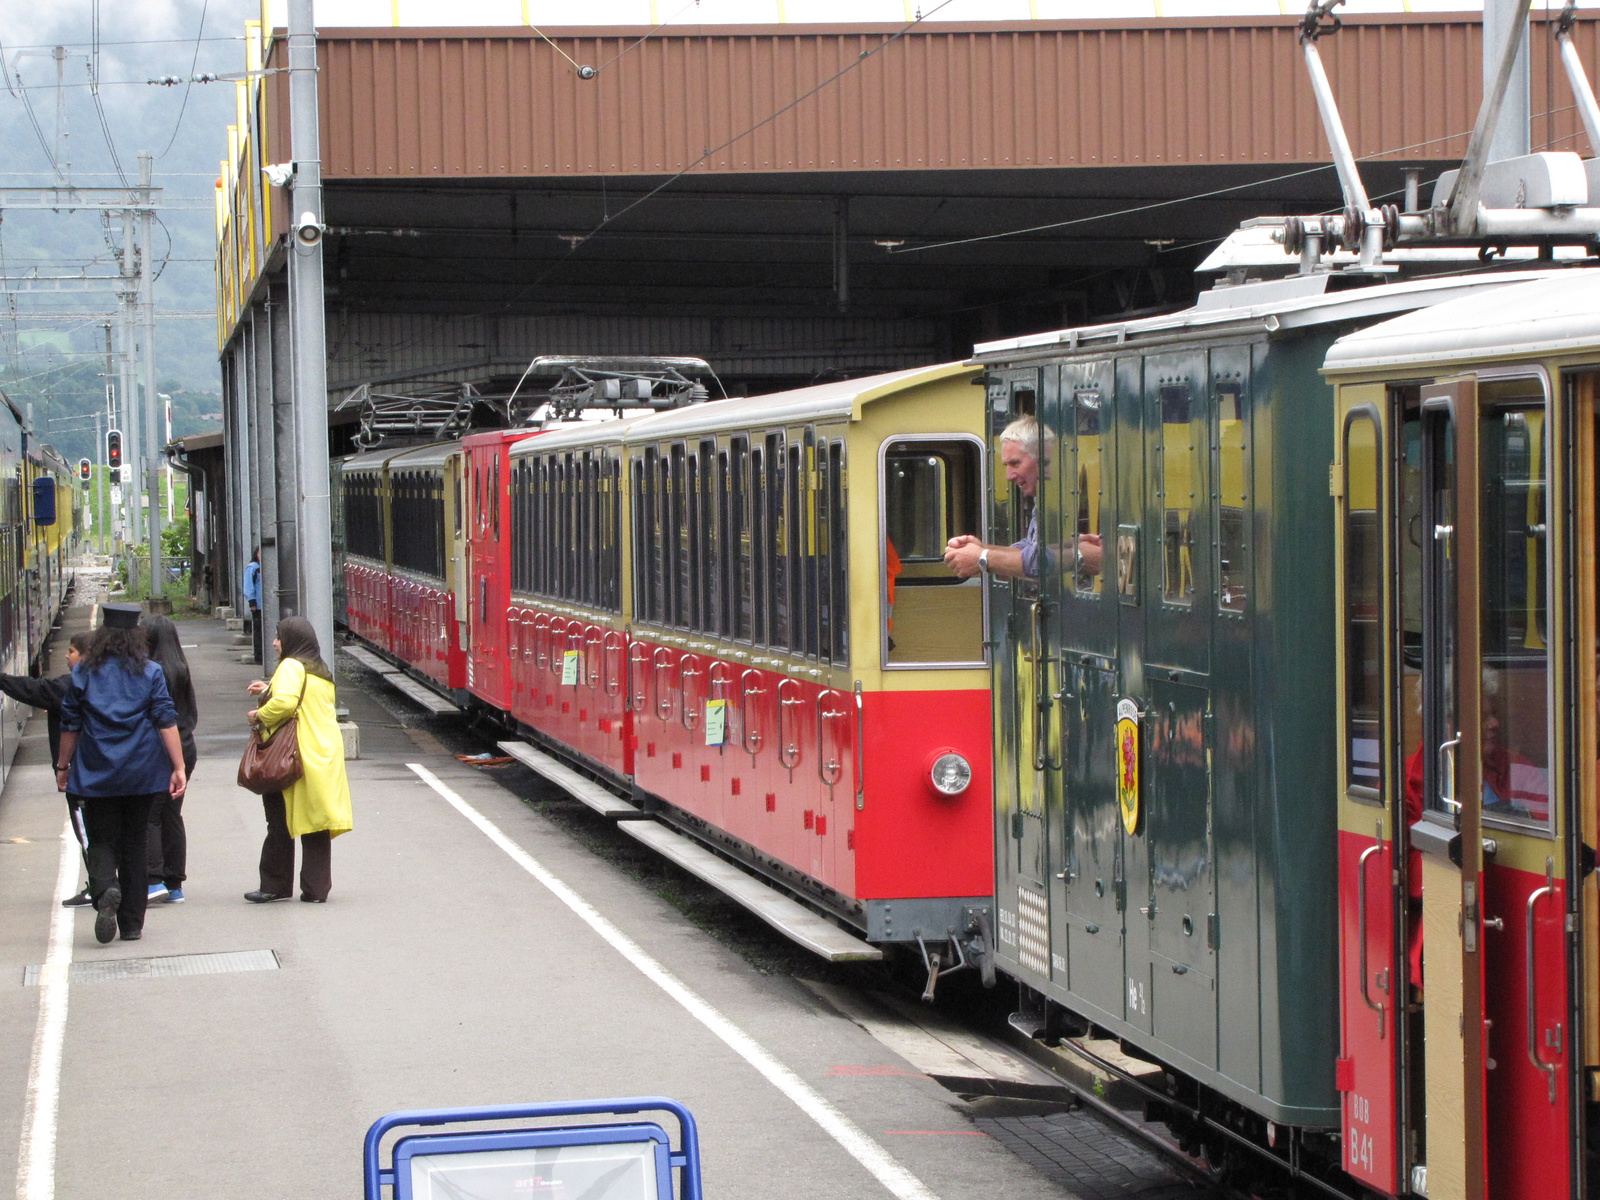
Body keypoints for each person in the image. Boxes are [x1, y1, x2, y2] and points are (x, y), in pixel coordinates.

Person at [56, 604, 187, 944]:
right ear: (136, 637)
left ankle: (105, 890)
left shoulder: (83, 672)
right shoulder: (151, 671)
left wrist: (63, 766)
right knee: (135, 842)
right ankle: (132, 924)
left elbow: (69, 722)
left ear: (102, 637)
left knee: (100, 838)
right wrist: (178, 766)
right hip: (142, 771)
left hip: (97, 769)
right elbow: (165, 719)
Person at [244, 616, 351, 903]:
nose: (275, 642)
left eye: (278, 637)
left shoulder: (290, 665)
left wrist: (259, 715)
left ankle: (274, 885)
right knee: (316, 825)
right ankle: (316, 890)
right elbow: (305, 699)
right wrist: (268, 690)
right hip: (323, 754)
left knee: (279, 821)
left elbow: (288, 702)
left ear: (291, 641)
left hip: (291, 755)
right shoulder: (321, 671)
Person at [943, 416, 1103, 581]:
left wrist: (982, 557)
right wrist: (981, 549)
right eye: (1007, 466)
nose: (1009, 476)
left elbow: (1037, 562)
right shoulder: (1044, 497)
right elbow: (1032, 548)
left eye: (1015, 464)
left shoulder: (1068, 492)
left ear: (1044, 458)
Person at [0, 633, 92, 906]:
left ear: (85, 656)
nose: (66, 655)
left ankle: (102, 885)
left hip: (82, 772)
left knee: (88, 831)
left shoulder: (70, 686)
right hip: (115, 768)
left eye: (72, 651)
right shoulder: (117, 677)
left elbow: (35, 690)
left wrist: (62, 766)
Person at [142, 615, 198, 904]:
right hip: (187, 745)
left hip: (164, 748)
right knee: (172, 815)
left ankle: (153, 879)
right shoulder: (181, 667)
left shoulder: (153, 672)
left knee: (151, 815)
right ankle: (175, 883)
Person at [243, 548, 263, 665]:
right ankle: (259, 655)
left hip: (265, 605)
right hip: (258, 605)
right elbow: (248, 585)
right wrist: (252, 601)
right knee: (258, 630)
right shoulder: (253, 567)